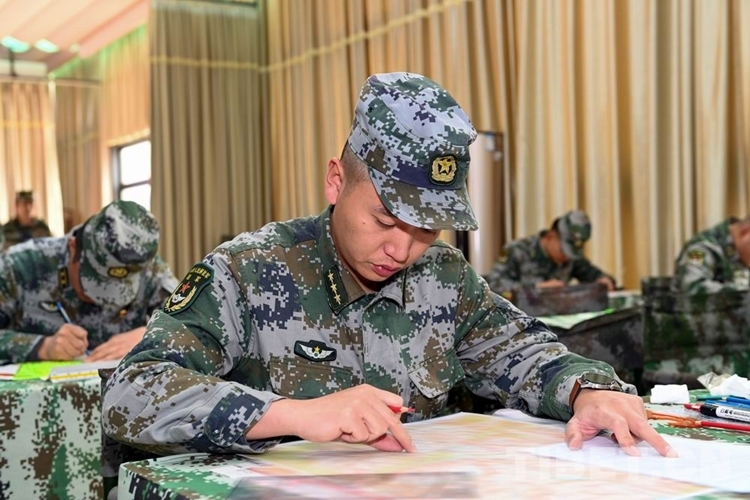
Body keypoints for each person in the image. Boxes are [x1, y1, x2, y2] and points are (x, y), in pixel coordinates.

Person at [102, 72, 674, 459]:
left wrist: (587, 390)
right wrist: (290, 414)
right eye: (385, 219)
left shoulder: (444, 278)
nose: (402, 250)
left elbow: (522, 352)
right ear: (336, 182)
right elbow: (131, 394)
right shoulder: (247, 271)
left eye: (426, 229)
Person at [0, 200, 178, 364]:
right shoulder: (19, 266)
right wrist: (41, 347)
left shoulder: (148, 268)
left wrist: (151, 334)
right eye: (96, 283)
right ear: (73, 247)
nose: (103, 301)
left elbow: (189, 320)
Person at [485, 210, 616, 293]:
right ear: (550, 236)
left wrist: (603, 280)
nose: (567, 257)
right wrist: (536, 287)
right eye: (563, 250)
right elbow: (493, 284)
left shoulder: (570, 258)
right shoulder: (517, 250)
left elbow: (593, 274)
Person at [672, 216, 750, 293]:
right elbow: (692, 287)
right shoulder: (701, 249)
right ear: (745, 232)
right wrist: (741, 293)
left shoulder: (739, 254)